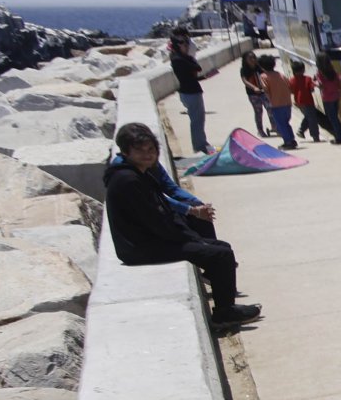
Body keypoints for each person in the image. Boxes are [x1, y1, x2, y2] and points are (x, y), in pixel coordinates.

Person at [104, 123, 256, 328]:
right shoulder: (129, 180)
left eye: (150, 149)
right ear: (126, 152)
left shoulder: (138, 172)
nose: (147, 155)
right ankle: (224, 313)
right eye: (140, 151)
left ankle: (226, 303)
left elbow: (164, 204)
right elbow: (156, 220)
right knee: (220, 254)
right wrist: (194, 239)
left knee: (221, 247)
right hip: (139, 248)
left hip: (147, 240)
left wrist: (194, 227)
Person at [167, 30, 210, 154]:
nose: (186, 46)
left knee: (199, 119)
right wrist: (190, 59)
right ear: (176, 45)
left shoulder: (183, 58)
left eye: (187, 43)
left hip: (192, 90)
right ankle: (199, 146)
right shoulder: (178, 59)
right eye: (183, 44)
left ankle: (201, 143)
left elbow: (195, 69)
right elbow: (196, 67)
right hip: (190, 93)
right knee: (196, 120)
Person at [262, 60, 295, 148]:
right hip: (287, 103)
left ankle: (288, 142)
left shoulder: (264, 76)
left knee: (281, 124)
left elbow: (265, 89)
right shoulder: (281, 75)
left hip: (276, 104)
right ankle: (292, 140)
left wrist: (269, 101)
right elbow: (289, 85)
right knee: (286, 123)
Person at [240, 54, 271, 137]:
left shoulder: (259, 67)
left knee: (270, 108)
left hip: (263, 92)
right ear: (245, 60)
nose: (253, 59)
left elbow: (266, 74)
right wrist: (254, 88)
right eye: (250, 58)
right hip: (253, 94)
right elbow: (245, 81)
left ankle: (274, 127)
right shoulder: (244, 69)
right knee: (258, 112)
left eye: (254, 57)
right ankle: (260, 130)